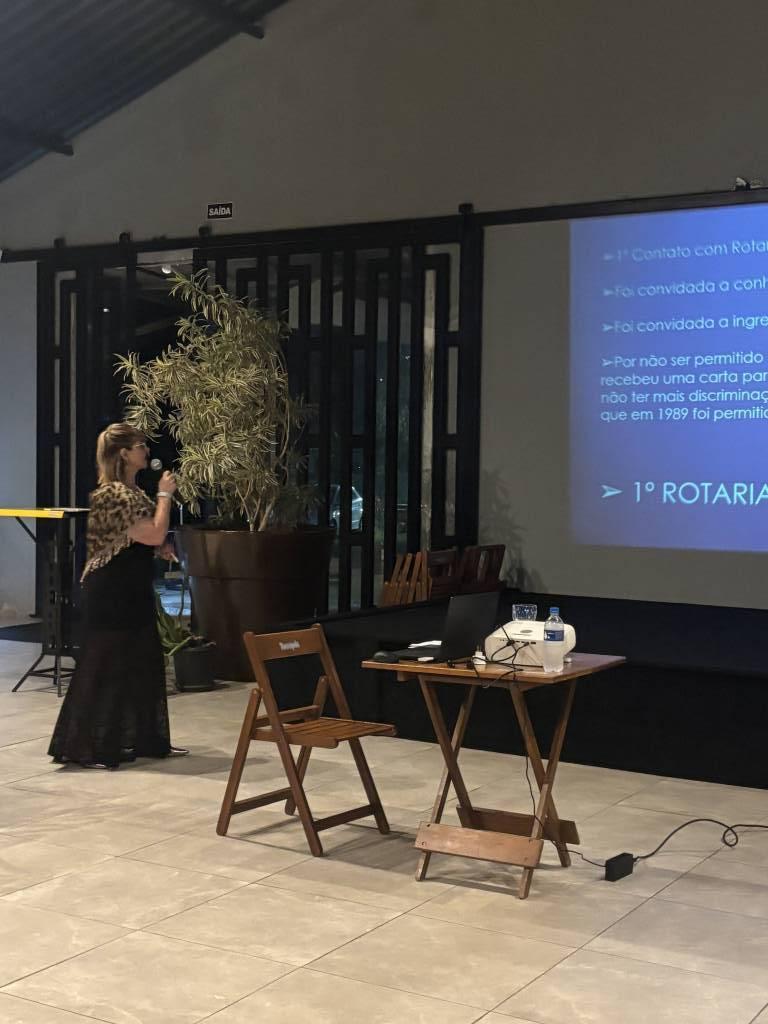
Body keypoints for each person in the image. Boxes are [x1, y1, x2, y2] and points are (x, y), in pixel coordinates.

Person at [48, 422, 188, 769]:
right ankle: (87, 745)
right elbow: (153, 532)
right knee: (105, 667)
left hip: (132, 588)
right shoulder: (112, 494)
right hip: (111, 592)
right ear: (124, 453)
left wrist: (159, 548)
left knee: (142, 662)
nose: (146, 451)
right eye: (140, 446)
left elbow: (140, 539)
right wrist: (165, 496)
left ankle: (142, 738)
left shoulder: (133, 492)